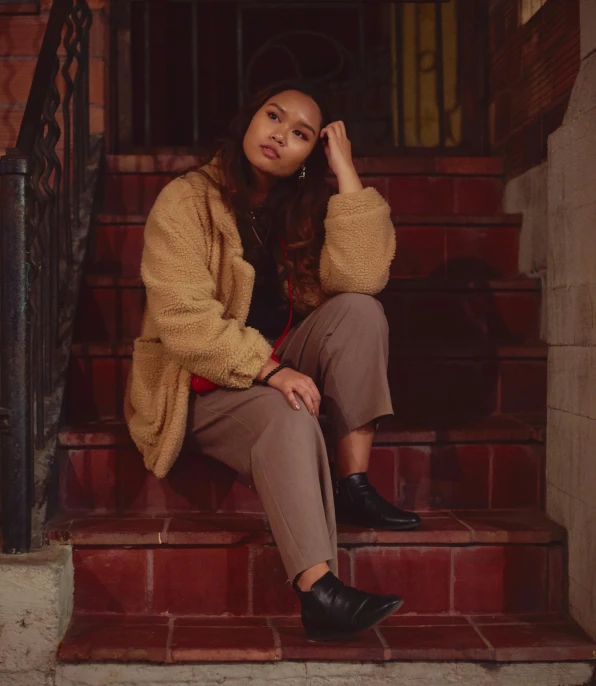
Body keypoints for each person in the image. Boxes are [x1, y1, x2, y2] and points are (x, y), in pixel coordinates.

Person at [124, 80, 421, 643]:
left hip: (275, 361)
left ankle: (353, 482)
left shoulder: (303, 210)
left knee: (360, 311)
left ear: (312, 154)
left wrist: (347, 174)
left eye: (302, 134)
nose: (280, 135)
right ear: (249, 120)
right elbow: (184, 320)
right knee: (289, 412)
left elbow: (361, 278)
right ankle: (319, 592)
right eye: (273, 117)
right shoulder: (186, 201)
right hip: (201, 381)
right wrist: (272, 371)